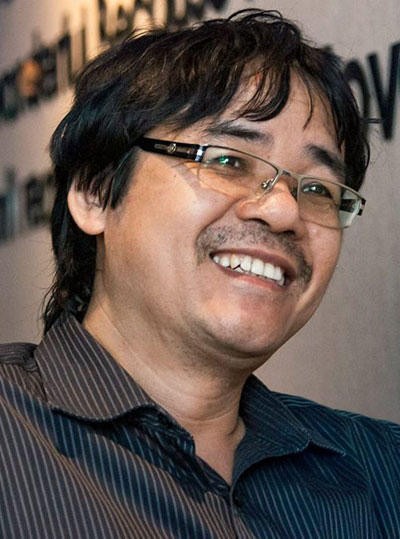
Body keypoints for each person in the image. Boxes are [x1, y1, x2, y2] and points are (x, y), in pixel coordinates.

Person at [1, 9, 399, 538]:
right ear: (95, 193)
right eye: (229, 161)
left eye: (317, 189)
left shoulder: (383, 472)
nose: (284, 210)